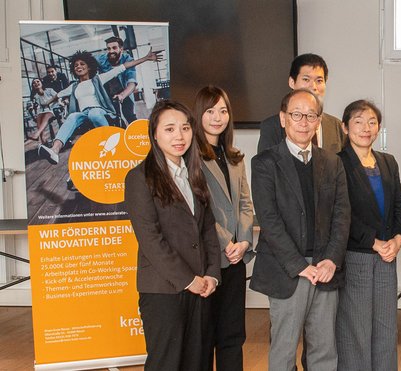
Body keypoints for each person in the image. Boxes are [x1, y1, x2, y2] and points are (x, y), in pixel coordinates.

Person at [250, 89, 350, 371]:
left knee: (324, 349)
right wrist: (298, 265)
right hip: (287, 271)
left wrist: (331, 259)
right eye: (296, 115)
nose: (303, 121)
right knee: (284, 349)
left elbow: (342, 215)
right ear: (283, 119)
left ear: (318, 121)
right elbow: (269, 220)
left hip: (325, 269)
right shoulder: (264, 163)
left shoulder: (332, 162)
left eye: (310, 115)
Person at [124, 100, 221, 371]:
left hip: (201, 287)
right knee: (167, 363)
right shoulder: (139, 178)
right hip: (164, 290)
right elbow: (151, 239)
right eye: (169, 129)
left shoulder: (194, 174)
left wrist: (212, 274)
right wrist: (188, 280)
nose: (179, 136)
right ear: (154, 134)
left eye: (185, 128)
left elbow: (207, 229)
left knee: (198, 361)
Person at [336, 99, 401, 371]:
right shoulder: (336, 163)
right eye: (358, 121)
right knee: (355, 330)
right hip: (356, 256)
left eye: (372, 122)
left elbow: (400, 207)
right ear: (345, 127)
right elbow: (341, 214)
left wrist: (398, 240)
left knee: (386, 329)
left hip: (387, 257)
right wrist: (374, 242)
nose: (366, 128)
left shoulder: (388, 162)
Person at [192, 86, 254, 371]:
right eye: (210, 111)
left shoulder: (234, 156)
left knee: (232, 336)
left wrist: (242, 243)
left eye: (223, 110)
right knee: (204, 337)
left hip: (235, 259)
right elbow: (197, 208)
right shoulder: (190, 156)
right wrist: (226, 242)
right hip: (208, 261)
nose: (218, 117)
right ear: (198, 114)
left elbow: (245, 203)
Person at [39, 49, 162, 164]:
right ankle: (54, 150)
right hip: (83, 114)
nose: (79, 67)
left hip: (100, 111)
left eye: (82, 64)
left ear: (89, 66)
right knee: (72, 117)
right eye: (76, 65)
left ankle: (111, 146)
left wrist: (146, 58)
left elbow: (122, 67)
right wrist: (46, 103)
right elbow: (57, 96)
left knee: (94, 113)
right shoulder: (73, 86)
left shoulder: (98, 79)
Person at [257, 54, 346, 154]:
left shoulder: (336, 126)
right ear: (292, 82)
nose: (313, 87)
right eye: (306, 79)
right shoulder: (272, 127)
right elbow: (266, 165)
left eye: (319, 81)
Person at [97, 36, 139, 123]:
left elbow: (132, 82)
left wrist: (122, 95)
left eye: (114, 48)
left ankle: (137, 133)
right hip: (108, 92)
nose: (111, 51)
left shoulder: (128, 59)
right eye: (108, 48)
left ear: (121, 49)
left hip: (124, 90)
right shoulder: (101, 59)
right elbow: (87, 62)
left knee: (129, 115)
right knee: (114, 117)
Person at [28, 78, 59, 144]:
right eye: (34, 83)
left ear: (41, 83)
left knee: (47, 113)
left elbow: (58, 96)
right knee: (39, 116)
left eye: (37, 81)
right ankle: (43, 141)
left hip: (54, 108)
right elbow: (38, 106)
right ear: (33, 86)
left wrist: (50, 102)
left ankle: (37, 134)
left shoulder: (49, 90)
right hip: (44, 111)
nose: (36, 83)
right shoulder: (35, 96)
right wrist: (32, 107)